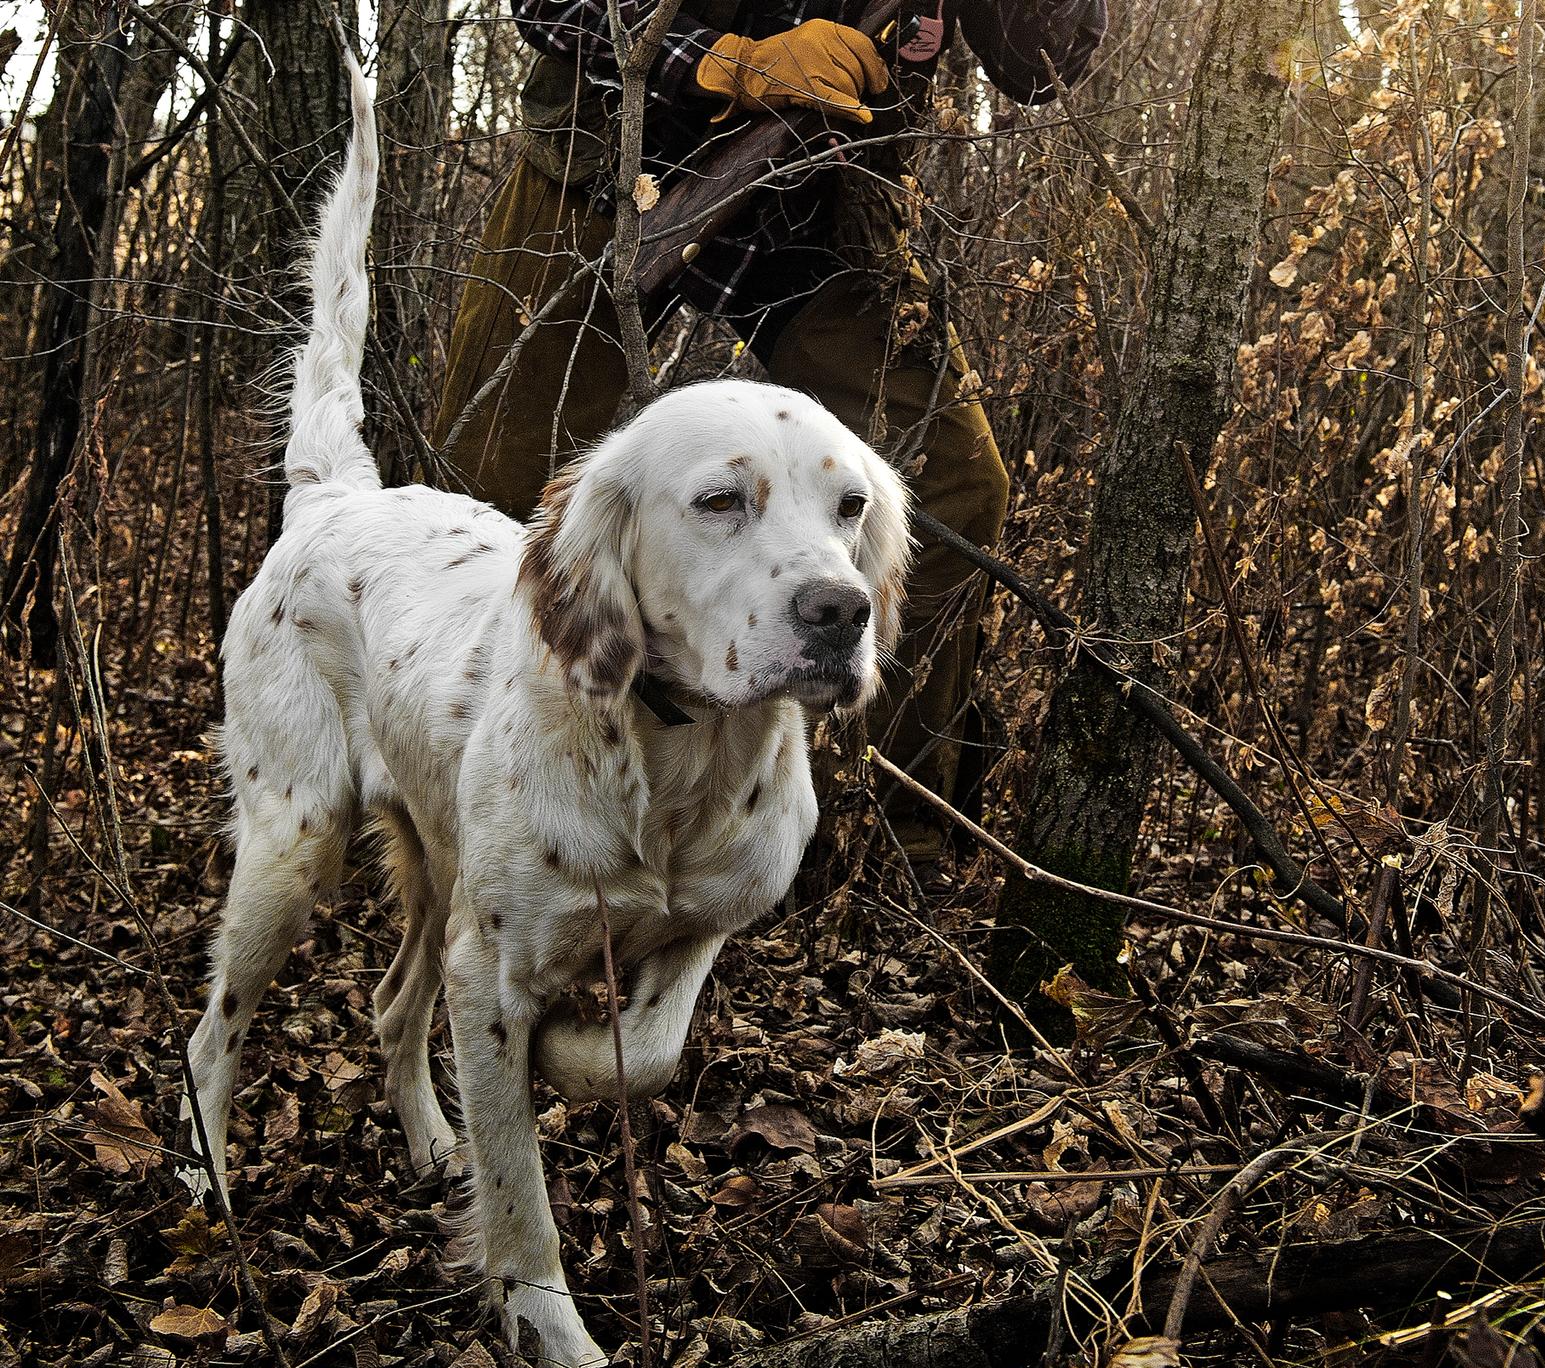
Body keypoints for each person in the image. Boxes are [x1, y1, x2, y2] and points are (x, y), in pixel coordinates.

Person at [434, 0, 1105, 867]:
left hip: (821, 213)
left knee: (954, 487)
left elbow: (1045, 64)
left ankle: (894, 839)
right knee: (495, 474)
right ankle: (489, 805)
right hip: (610, 154)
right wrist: (730, 63)